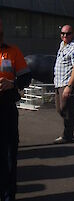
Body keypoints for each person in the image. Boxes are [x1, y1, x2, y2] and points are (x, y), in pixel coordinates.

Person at [0, 18, 31, 201]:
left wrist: (12, 83)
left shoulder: (13, 52)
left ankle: (8, 195)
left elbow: (26, 77)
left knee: (10, 154)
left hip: (6, 110)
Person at [53, 25, 74, 144]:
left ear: (73, 34)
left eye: (68, 34)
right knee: (60, 109)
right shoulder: (63, 45)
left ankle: (67, 135)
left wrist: (69, 86)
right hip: (59, 82)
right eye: (63, 33)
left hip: (68, 83)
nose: (65, 36)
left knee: (66, 109)